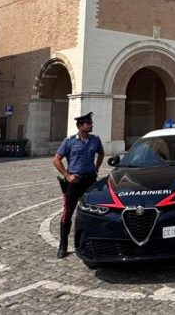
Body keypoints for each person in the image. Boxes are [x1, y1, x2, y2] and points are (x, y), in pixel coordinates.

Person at [52, 111, 104, 258]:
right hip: (74, 182)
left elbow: (101, 154)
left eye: (91, 123)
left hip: (89, 180)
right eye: (89, 123)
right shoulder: (69, 141)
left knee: (92, 211)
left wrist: (96, 168)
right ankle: (63, 246)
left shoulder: (95, 140)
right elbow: (56, 159)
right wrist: (67, 176)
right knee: (67, 213)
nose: (91, 125)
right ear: (81, 126)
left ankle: (91, 243)